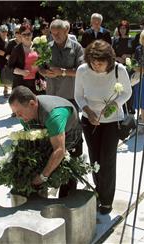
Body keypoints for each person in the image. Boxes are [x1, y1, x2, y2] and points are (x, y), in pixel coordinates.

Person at [74, 40, 132, 214]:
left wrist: (114, 105)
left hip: (112, 122)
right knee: (95, 160)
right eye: (93, 62)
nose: (96, 65)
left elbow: (127, 92)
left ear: (109, 60)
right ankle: (99, 191)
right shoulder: (82, 70)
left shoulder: (118, 70)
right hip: (89, 119)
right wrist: (87, 111)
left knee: (107, 161)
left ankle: (106, 200)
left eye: (100, 62)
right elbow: (78, 96)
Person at [9, 86, 82, 197]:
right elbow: (31, 141)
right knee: (39, 162)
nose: (18, 118)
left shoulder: (54, 115)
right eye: (15, 114)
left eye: (19, 113)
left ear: (32, 104)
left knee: (66, 173)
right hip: (49, 130)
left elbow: (59, 150)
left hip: (69, 133)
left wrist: (42, 177)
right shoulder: (26, 115)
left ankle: (65, 201)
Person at [39, 19, 84, 160]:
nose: (55, 36)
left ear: (67, 31)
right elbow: (40, 67)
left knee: (73, 128)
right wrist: (44, 73)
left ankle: (76, 156)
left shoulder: (76, 48)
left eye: (58, 33)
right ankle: (57, 155)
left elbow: (81, 71)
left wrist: (62, 72)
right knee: (55, 128)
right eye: (52, 33)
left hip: (70, 95)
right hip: (52, 96)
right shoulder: (46, 47)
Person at [8, 23, 40, 95]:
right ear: (20, 35)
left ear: (32, 34)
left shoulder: (38, 46)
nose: (26, 36)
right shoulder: (16, 49)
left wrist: (40, 67)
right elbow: (10, 67)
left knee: (37, 103)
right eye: (24, 34)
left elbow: (44, 63)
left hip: (36, 82)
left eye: (28, 34)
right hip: (21, 83)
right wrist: (21, 72)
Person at [112, 20, 134, 114]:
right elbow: (112, 53)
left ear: (127, 29)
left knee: (128, 88)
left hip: (128, 67)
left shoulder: (132, 40)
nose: (122, 30)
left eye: (124, 28)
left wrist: (128, 56)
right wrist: (117, 58)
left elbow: (135, 53)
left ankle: (129, 108)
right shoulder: (115, 40)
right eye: (121, 28)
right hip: (117, 66)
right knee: (118, 88)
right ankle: (118, 106)